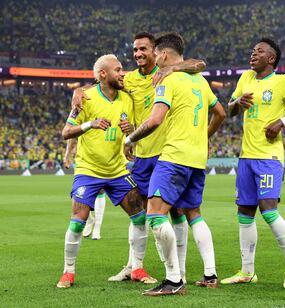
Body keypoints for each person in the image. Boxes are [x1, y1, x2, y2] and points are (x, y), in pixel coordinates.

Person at [73, 32, 206, 284]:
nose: (138, 54)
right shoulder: (130, 79)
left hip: (167, 153)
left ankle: (179, 271)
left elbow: (200, 64)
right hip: (143, 156)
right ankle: (134, 266)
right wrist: (81, 89)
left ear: (156, 51)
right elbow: (105, 83)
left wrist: (174, 68)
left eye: (143, 49)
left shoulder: (173, 73)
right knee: (139, 213)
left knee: (177, 212)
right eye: (135, 50)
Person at [124, 32, 226, 296]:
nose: (155, 58)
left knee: (155, 214)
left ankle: (173, 280)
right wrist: (204, 135)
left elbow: (155, 119)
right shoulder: (200, 82)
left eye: (156, 53)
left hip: (174, 156)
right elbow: (221, 113)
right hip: (197, 158)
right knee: (194, 214)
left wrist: (131, 138)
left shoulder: (168, 79)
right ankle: (210, 274)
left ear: (164, 54)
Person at [220, 38, 285, 289]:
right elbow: (228, 110)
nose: (253, 54)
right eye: (252, 50)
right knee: (245, 213)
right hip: (246, 157)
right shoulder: (245, 79)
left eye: (259, 51)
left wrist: (283, 122)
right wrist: (236, 103)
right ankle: (247, 271)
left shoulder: (283, 82)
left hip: (269, 157)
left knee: (269, 210)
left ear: (271, 59)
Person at [56, 54, 146, 288]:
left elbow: (132, 134)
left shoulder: (127, 99)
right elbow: (66, 132)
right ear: (103, 74)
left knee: (140, 216)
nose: (122, 73)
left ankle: (137, 268)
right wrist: (90, 124)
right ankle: (68, 272)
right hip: (88, 169)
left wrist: (131, 132)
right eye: (117, 69)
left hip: (117, 169)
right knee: (77, 222)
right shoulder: (85, 98)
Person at [64, 138, 106, 240]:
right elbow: (71, 137)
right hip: (82, 155)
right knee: (79, 192)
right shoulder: (81, 123)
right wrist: (67, 154)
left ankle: (97, 228)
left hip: (101, 151)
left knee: (101, 189)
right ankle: (90, 220)